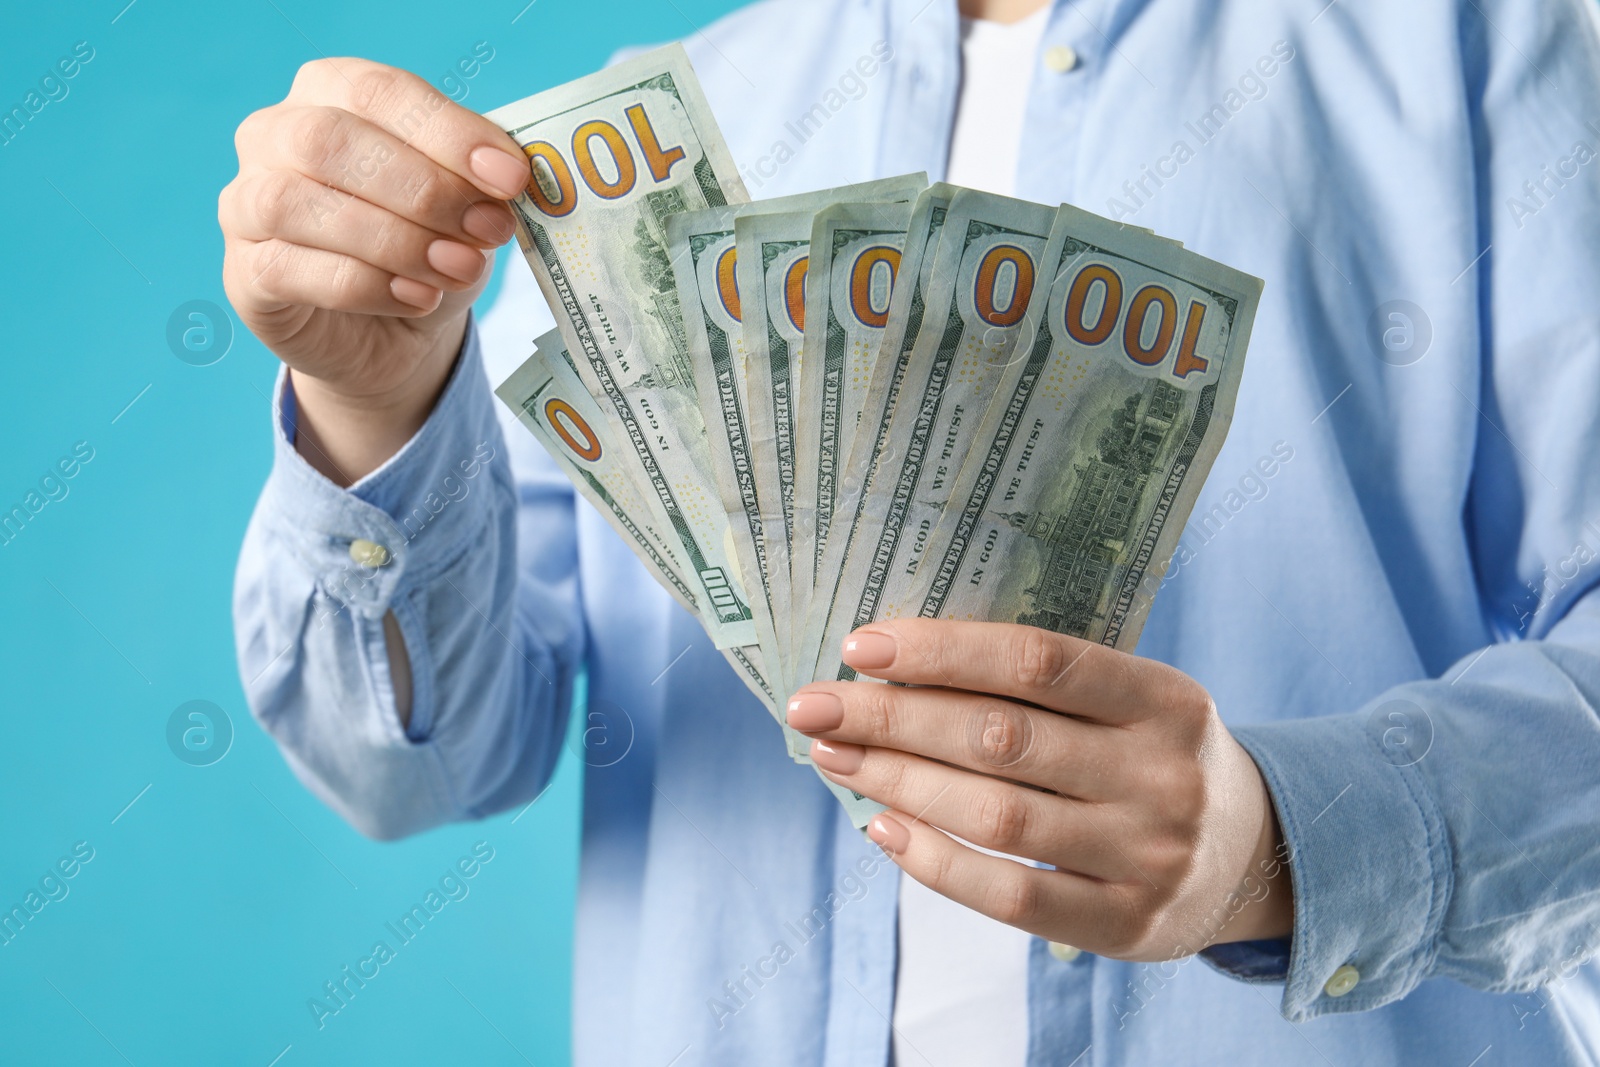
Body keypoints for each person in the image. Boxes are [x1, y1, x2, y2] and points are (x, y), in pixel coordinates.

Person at [222, 0, 1600, 1062]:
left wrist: (1290, 849)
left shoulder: (1483, 52)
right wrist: (373, 398)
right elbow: (418, 767)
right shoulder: (663, 133)